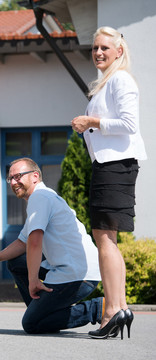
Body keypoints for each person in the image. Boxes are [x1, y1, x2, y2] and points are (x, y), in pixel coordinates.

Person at [71, 26, 146, 339]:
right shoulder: (106, 83)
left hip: (116, 167)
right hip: (109, 166)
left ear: (118, 51)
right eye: (95, 48)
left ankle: (114, 310)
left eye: (104, 48)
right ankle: (117, 307)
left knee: (105, 239)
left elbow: (129, 124)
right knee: (107, 238)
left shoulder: (120, 79)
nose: (98, 53)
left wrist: (90, 122)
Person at [0, 158, 104, 335]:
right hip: (76, 270)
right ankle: (41, 311)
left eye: (18, 176)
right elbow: (22, 242)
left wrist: (33, 280)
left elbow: (34, 242)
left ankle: (98, 308)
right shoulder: (42, 198)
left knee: (31, 324)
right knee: (16, 262)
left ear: (35, 176)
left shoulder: (39, 198)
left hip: (78, 275)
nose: (13, 182)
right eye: (10, 178)